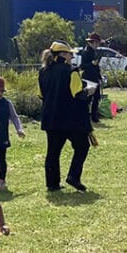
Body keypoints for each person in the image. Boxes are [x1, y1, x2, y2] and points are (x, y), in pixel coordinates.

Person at [38, 41, 92, 192]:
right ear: (62, 55)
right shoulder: (71, 71)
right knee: (82, 146)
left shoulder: (43, 72)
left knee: (53, 152)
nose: (72, 56)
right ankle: (73, 176)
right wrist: (90, 91)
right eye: (70, 53)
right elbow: (78, 95)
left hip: (50, 118)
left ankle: (52, 184)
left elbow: (41, 95)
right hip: (70, 119)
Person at [79, 32, 103, 123]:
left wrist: (99, 77)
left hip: (94, 78)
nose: (97, 45)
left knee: (96, 97)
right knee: (88, 98)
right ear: (91, 42)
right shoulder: (86, 52)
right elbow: (82, 66)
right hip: (88, 78)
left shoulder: (94, 52)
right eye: (96, 43)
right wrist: (91, 64)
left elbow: (96, 67)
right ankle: (84, 116)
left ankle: (94, 116)